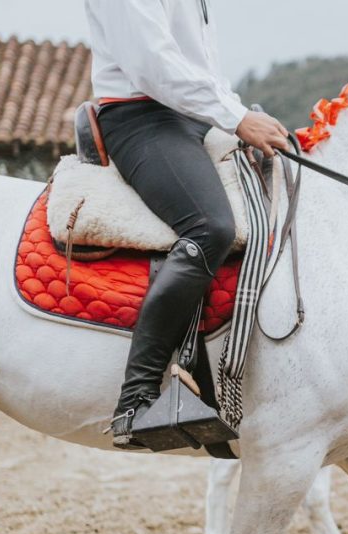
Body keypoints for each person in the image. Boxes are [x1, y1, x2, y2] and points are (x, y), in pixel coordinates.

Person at [84, 0, 289, 448]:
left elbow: (201, 69)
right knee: (211, 226)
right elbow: (151, 63)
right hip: (142, 117)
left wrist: (233, 114)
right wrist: (237, 118)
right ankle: (135, 400)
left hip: (194, 118)